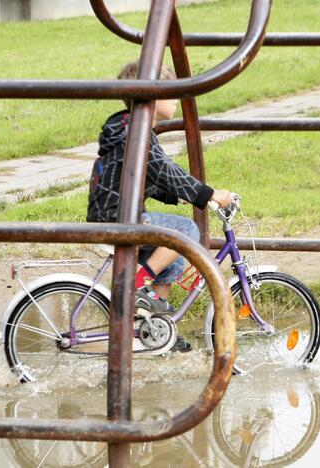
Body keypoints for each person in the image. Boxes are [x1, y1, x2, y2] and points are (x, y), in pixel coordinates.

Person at [87, 62, 234, 348]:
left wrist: (173, 195)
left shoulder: (132, 128)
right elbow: (165, 170)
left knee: (175, 255)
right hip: (118, 217)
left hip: (118, 212)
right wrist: (207, 193)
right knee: (185, 231)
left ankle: (157, 332)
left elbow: (144, 176)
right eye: (170, 92)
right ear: (150, 97)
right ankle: (137, 287)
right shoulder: (136, 132)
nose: (176, 99)